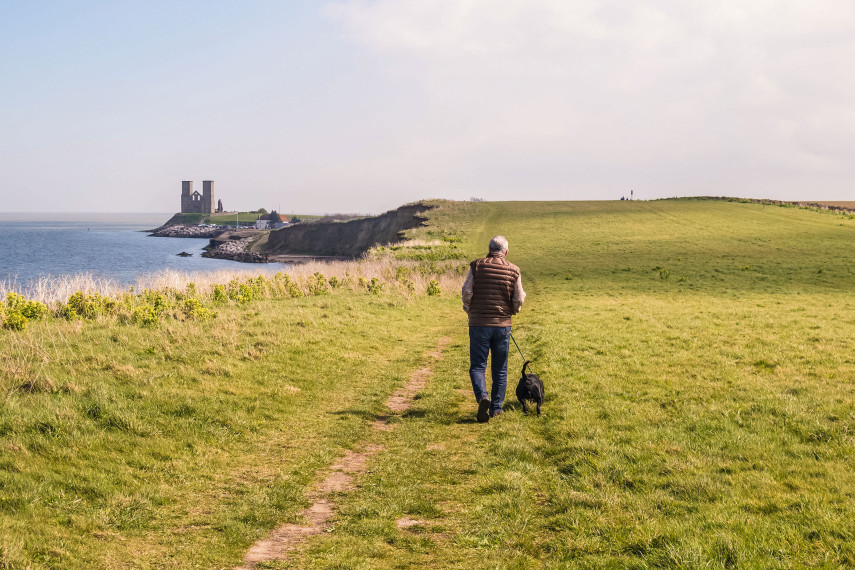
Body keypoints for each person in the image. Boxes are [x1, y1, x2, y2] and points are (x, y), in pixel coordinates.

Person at [461, 235, 526, 423]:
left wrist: (468, 309)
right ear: (506, 252)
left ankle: (483, 397)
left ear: (489, 249)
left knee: (477, 367)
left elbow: (467, 291)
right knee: (500, 369)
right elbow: (519, 297)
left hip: (478, 324)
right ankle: (496, 408)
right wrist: (513, 311)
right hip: (502, 326)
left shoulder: (477, 265)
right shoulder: (514, 270)